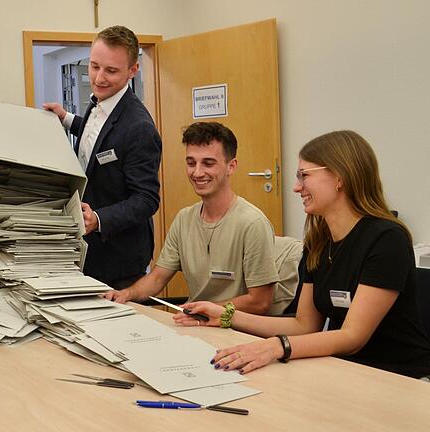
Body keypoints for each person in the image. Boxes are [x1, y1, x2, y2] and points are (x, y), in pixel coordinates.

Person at [175, 130, 430, 379]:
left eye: (304, 175)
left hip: (400, 378)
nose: (296, 188)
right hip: (348, 371)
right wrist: (227, 316)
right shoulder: (318, 242)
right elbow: (304, 325)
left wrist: (277, 346)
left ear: (340, 176)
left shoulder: (386, 239)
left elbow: (353, 337)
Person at [105, 122, 280, 314]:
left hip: (237, 330)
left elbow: (260, 302)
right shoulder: (184, 219)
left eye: (208, 163)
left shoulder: (252, 223)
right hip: (195, 324)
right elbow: (157, 278)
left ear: (231, 166)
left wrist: (207, 310)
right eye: (191, 163)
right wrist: (126, 294)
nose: (197, 173)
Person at [43, 25, 162, 289]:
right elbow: (100, 137)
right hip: (87, 252)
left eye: (111, 71)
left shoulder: (140, 128)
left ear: (133, 70)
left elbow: (147, 199)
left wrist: (98, 219)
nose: (98, 78)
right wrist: (67, 119)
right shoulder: (99, 100)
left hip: (118, 259)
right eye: (94, 66)